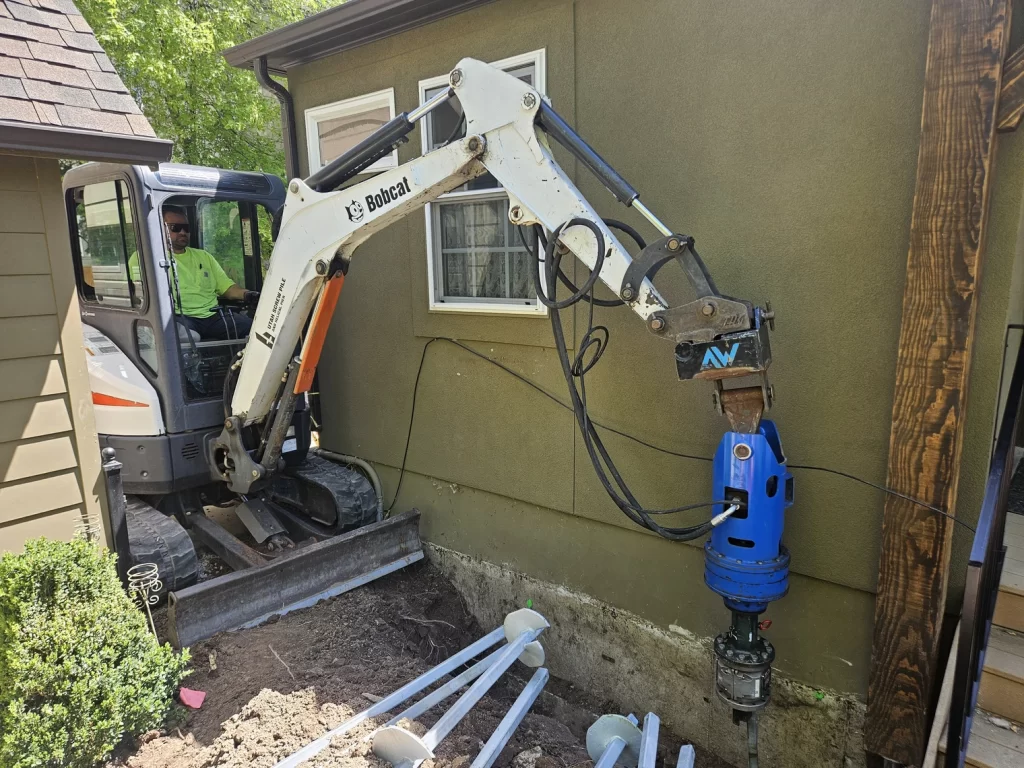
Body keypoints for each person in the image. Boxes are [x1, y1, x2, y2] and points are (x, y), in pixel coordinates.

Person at [162, 206, 258, 340]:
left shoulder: (204, 256)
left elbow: (227, 288)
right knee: (189, 338)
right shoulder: (149, 258)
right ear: (161, 228)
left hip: (212, 316)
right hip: (179, 317)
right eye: (175, 228)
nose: (183, 232)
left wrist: (249, 295)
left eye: (186, 228)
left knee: (255, 329)